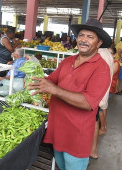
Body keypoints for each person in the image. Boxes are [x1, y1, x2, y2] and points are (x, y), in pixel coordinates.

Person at [28, 18, 112, 170]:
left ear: (99, 43)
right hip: (57, 130)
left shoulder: (102, 68)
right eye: (81, 35)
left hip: (77, 136)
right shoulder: (68, 61)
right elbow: (50, 80)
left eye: (90, 37)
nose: (83, 40)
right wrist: (32, 75)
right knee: (60, 165)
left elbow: (88, 103)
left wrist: (54, 90)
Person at [90, 47, 114, 160]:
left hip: (93, 97)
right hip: (96, 97)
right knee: (95, 122)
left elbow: (102, 78)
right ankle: (93, 150)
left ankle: (91, 150)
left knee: (92, 123)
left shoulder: (102, 54)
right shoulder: (104, 53)